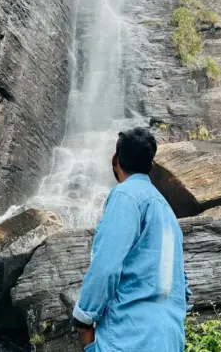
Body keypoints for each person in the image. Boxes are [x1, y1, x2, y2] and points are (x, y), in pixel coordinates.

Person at [72, 127, 192, 352]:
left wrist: (83, 319)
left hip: (130, 336)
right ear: (151, 166)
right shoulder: (167, 213)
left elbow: (106, 266)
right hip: (169, 338)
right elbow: (181, 284)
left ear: (115, 159)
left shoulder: (126, 195)